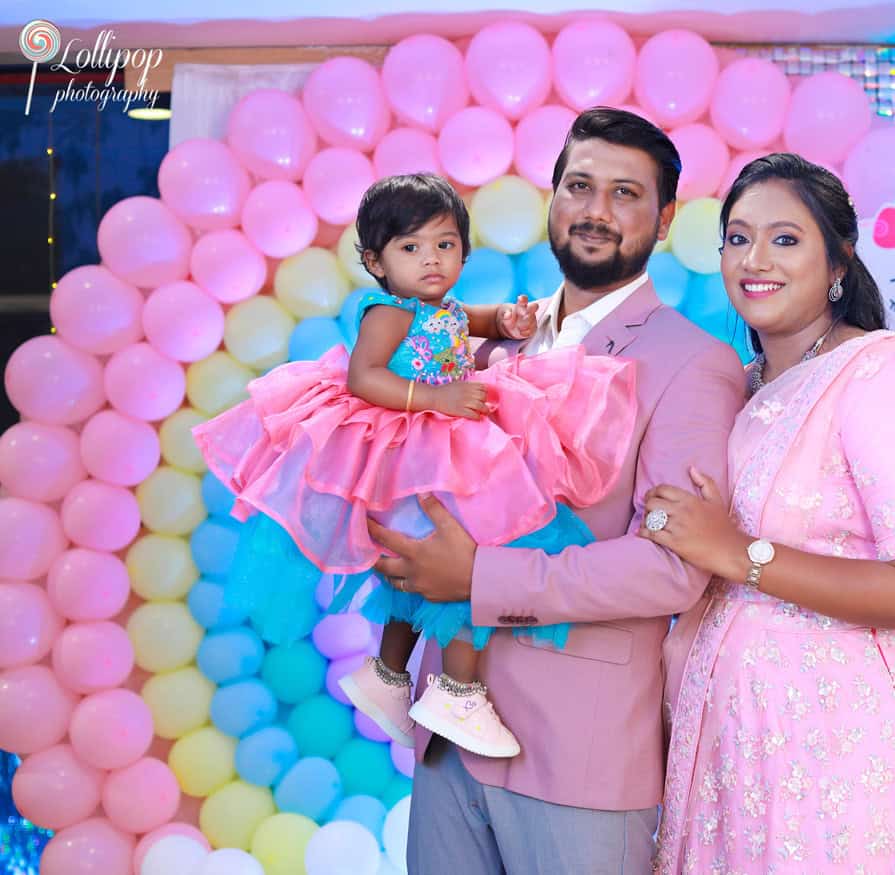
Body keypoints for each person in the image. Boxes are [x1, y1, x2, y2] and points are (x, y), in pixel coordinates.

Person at [365, 108, 748, 874]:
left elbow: (672, 566)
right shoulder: (492, 337)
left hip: (580, 753)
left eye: (625, 193)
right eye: (578, 185)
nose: (596, 211)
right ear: (552, 197)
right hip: (446, 742)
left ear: (664, 219)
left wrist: (479, 579)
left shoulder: (692, 361)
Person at [194, 173, 639, 761]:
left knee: (423, 560)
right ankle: (457, 690)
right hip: (412, 444)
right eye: (411, 248)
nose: (432, 260)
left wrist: (507, 322)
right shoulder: (388, 313)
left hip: (439, 443)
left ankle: (387, 673)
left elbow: (470, 321)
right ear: (375, 261)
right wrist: (438, 400)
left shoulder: (439, 307)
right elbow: (364, 377)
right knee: (472, 550)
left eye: (445, 245)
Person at [644, 153, 895, 873]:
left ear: (838, 260)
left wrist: (737, 552)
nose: (755, 258)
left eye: (784, 238)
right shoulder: (740, 386)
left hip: (836, 751)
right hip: (732, 747)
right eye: (737, 237)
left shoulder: (878, 376)